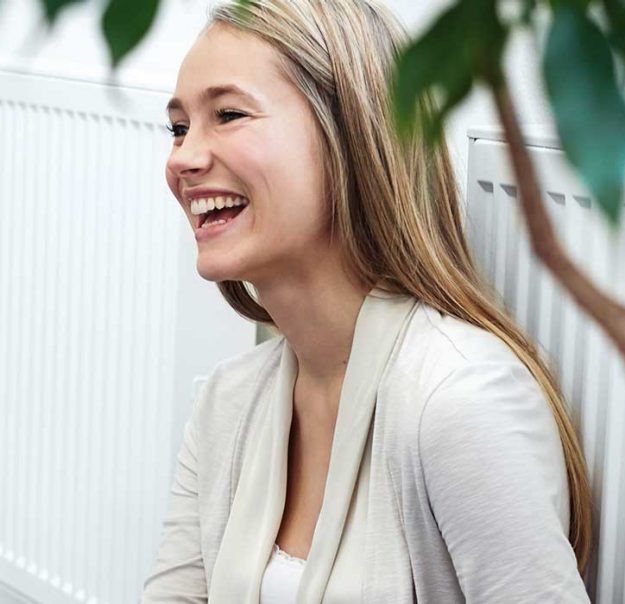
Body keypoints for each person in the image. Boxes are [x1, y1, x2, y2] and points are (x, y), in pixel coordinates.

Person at [142, 0, 593, 601]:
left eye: (227, 114)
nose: (183, 159)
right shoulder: (229, 401)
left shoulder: (459, 400)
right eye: (179, 128)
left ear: (351, 136)